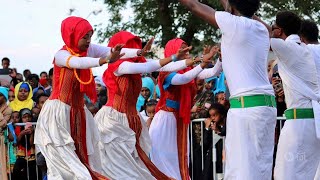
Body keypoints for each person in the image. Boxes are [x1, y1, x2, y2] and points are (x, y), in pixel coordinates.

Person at [34, 16, 145, 180]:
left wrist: (138, 51)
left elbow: (112, 50)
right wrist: (105, 59)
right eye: (84, 36)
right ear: (72, 34)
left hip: (79, 113)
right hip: (58, 115)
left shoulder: (88, 49)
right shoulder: (61, 55)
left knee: (85, 162)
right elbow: (79, 63)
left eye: (90, 36)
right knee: (65, 166)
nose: (88, 40)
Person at [179, 0, 277, 179]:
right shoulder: (262, 29)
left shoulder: (233, 23)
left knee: (241, 171)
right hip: (265, 107)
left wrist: (232, 7)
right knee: (260, 171)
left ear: (232, 8)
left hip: (246, 109)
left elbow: (194, 5)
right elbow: (247, 12)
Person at [94, 31, 195, 179]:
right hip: (114, 122)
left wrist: (197, 61)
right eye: (131, 46)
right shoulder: (119, 66)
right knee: (119, 170)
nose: (135, 49)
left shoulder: (137, 64)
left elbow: (162, 67)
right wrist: (173, 57)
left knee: (136, 167)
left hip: (132, 121)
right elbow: (150, 67)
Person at [258, 12, 320, 179]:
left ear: (279, 31)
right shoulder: (309, 49)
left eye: (274, 28)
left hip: (299, 123)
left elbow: (260, 32)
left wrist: (245, 10)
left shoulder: (289, 48)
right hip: (313, 123)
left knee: (285, 174)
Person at [149, 38, 221, 180]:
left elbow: (213, 72)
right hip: (166, 119)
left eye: (187, 48)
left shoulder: (188, 70)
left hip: (179, 120)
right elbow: (183, 79)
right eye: (183, 48)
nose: (187, 51)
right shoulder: (166, 71)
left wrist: (220, 58)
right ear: (173, 51)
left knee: (179, 157)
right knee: (162, 157)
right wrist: (201, 63)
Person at [0, 87, 12, 180]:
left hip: (1, 139)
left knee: (1, 162)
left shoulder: (8, 110)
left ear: (5, 97)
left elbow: (3, 123)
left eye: (0, 95)